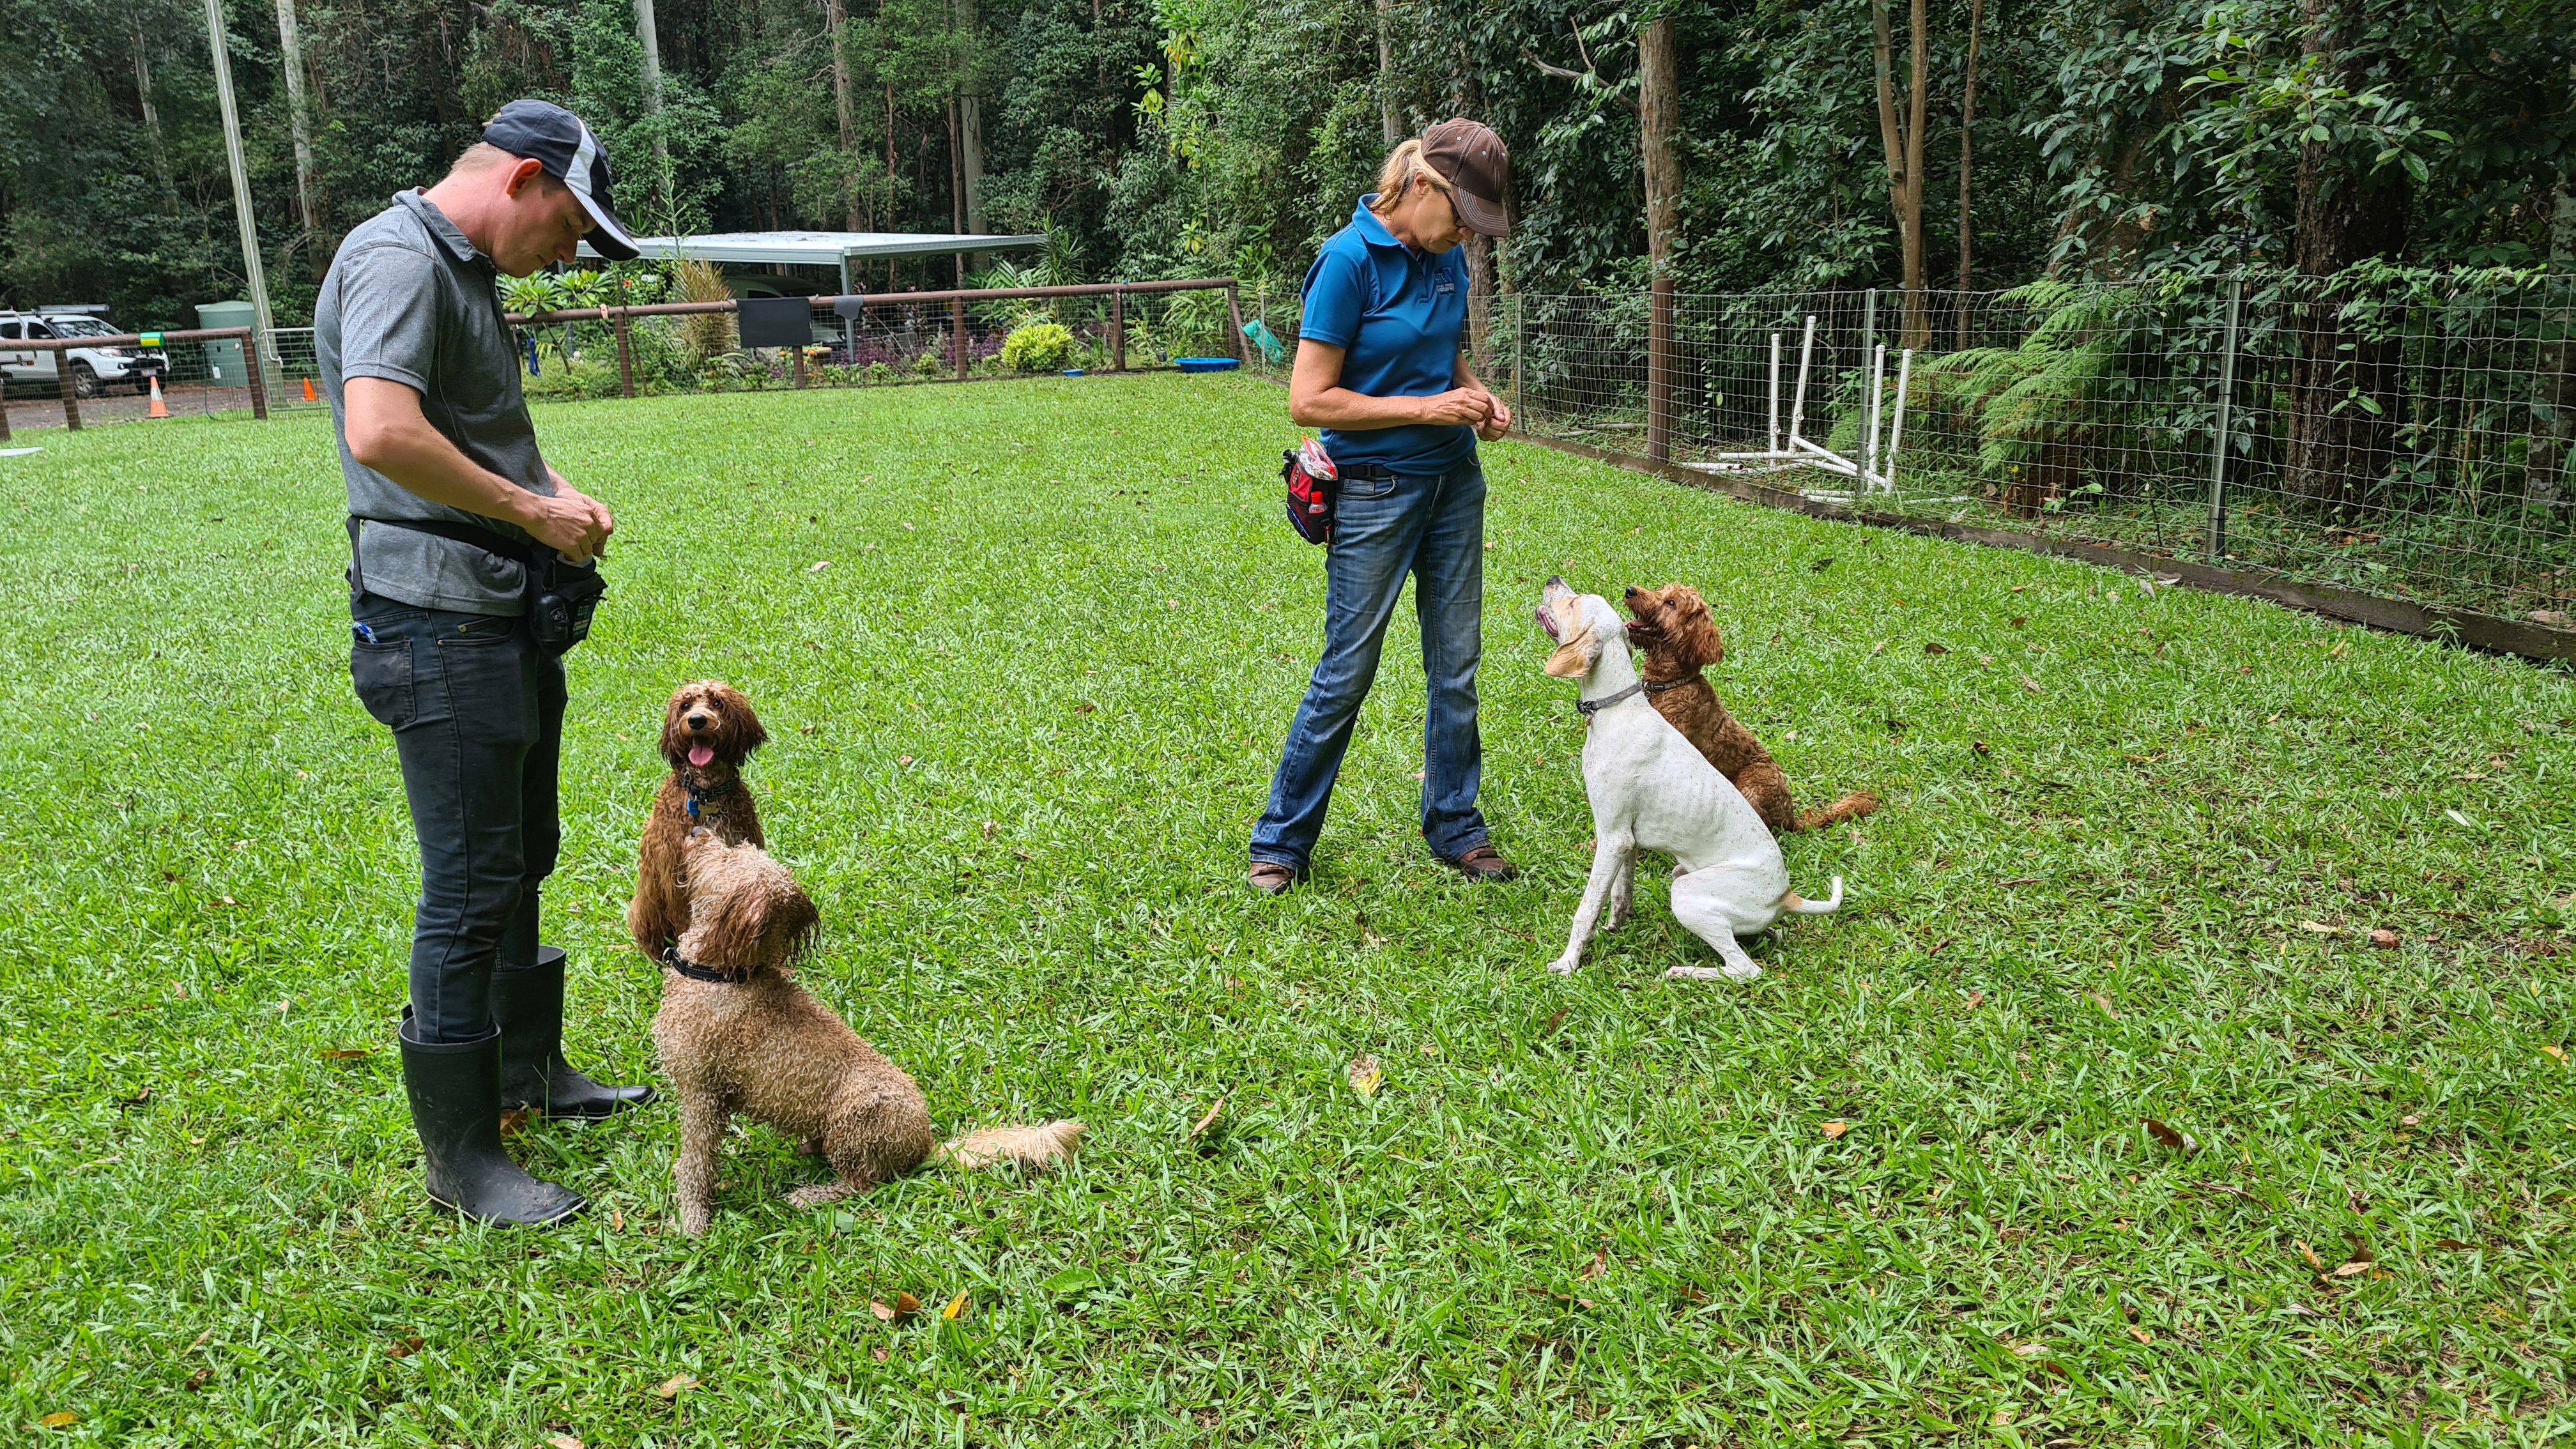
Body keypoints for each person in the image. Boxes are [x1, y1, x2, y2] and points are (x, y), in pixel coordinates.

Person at [319, 100, 650, 1225]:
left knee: (522, 853)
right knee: (470, 885)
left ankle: (526, 1073)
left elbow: (479, 425)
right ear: (520, 179)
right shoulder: (396, 259)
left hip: (498, 607)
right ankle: (464, 1160)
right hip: (436, 621)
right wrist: (527, 510)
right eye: (569, 226)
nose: (569, 256)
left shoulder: (465, 273)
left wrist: (551, 496)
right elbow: (379, 427)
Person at [1249, 120, 1520, 894]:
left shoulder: (1446, 262)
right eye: (1462, 218)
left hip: (1453, 487)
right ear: (1421, 186)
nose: (1468, 237)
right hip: (1373, 492)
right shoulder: (1346, 262)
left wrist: (1476, 399)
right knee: (1347, 672)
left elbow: (1445, 358)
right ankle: (1282, 841)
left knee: (1457, 668)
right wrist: (1427, 409)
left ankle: (1457, 826)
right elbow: (1309, 401)